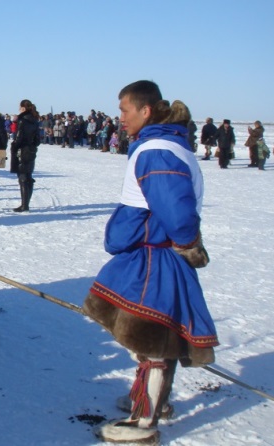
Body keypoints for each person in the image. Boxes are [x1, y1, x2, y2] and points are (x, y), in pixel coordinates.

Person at [83, 80, 216, 444]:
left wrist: (188, 244)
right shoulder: (160, 144)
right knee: (147, 336)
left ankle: (144, 423)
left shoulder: (156, 150)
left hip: (156, 259)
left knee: (151, 339)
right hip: (147, 253)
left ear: (146, 110)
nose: (120, 117)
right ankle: (149, 398)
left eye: (125, 110)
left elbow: (174, 207)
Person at [9, 99, 40, 212]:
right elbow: (37, 139)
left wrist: (14, 146)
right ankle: (26, 203)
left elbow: (19, 136)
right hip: (31, 150)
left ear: (23, 108)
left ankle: (24, 205)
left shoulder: (22, 119)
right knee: (28, 177)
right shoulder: (35, 119)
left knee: (22, 178)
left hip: (22, 150)